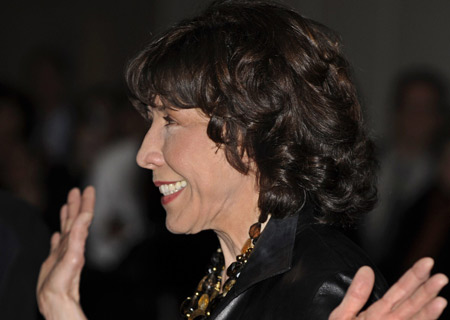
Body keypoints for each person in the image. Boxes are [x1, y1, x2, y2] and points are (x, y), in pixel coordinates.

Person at [36, 1, 448, 319]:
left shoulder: (322, 284)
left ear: (251, 130)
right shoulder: (235, 264)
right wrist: (62, 307)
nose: (145, 154)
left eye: (171, 121)